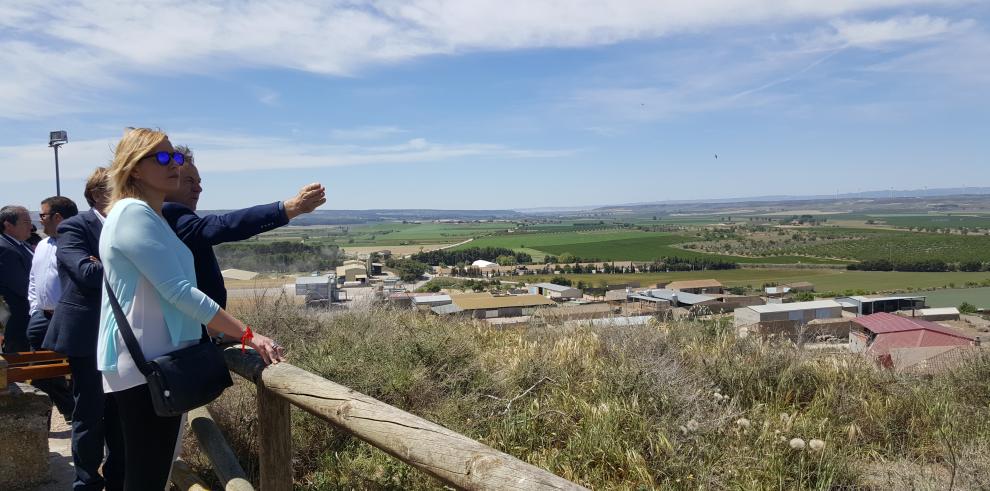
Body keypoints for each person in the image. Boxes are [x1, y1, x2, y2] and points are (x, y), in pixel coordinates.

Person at [98, 128, 284, 490]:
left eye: (176, 157)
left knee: (148, 470)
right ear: (134, 168)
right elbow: (179, 292)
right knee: (147, 476)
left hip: (150, 361)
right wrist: (249, 334)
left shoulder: (146, 214)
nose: (175, 165)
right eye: (162, 157)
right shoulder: (134, 214)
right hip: (147, 364)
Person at [163, 145, 325, 308]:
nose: (199, 189)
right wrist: (290, 208)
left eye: (198, 182)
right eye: (189, 181)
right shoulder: (169, 212)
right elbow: (223, 226)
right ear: (168, 182)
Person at [44, 167, 125, 491]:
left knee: (120, 415)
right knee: (90, 414)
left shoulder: (125, 224)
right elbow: (86, 275)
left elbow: (98, 271)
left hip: (123, 335)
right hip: (88, 337)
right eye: (118, 187)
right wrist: (128, 267)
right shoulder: (75, 227)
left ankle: (119, 480)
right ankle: (87, 483)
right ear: (97, 194)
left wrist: (102, 264)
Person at [26, 195, 78, 421]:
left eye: (43, 215)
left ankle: (81, 413)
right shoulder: (43, 246)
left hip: (69, 318)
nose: (39, 221)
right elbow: (34, 279)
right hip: (42, 317)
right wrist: (35, 308)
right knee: (39, 372)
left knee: (77, 368)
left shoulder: (77, 244)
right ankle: (66, 410)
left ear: (57, 217)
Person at [0, 205, 35, 353]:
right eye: (26, 222)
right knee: (16, 368)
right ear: (8, 225)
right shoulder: (4, 248)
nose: (31, 226)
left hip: (25, 319)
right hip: (17, 322)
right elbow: (22, 286)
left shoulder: (20, 244)